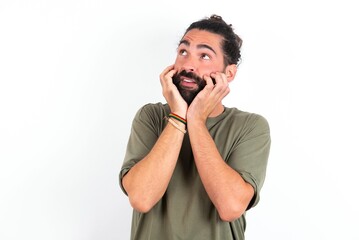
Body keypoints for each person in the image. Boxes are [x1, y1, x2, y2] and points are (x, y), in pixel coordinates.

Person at [119, 14, 271, 240]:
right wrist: (179, 116)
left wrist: (197, 121)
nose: (188, 65)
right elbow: (141, 198)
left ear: (228, 74)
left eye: (205, 56)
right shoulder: (150, 117)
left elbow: (230, 207)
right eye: (183, 52)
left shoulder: (250, 127)